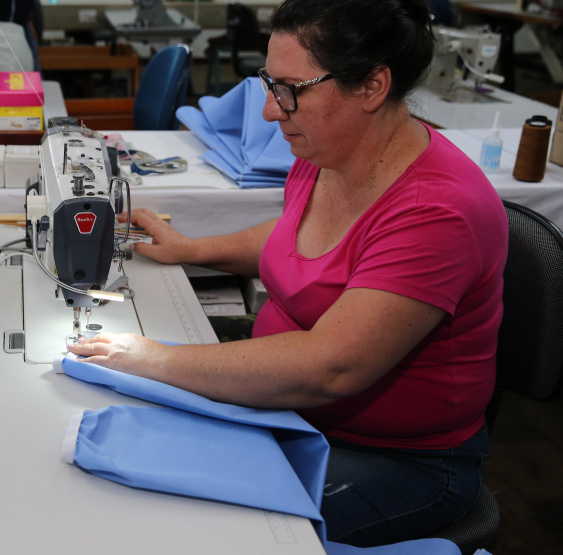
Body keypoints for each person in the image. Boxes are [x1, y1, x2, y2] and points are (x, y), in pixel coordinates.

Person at [68, 0, 508, 547]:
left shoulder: (436, 212)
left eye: (290, 90)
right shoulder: (328, 152)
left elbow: (331, 366)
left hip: (402, 460)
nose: (270, 112)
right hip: (296, 415)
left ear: (372, 86)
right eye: (269, 85)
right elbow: (298, 237)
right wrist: (192, 248)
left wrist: (153, 357)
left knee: (202, 535)